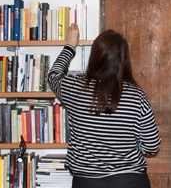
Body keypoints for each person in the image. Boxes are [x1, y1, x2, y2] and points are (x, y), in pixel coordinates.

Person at [47, 23, 161, 188]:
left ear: (95, 56)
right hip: (130, 181)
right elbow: (151, 147)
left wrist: (71, 45)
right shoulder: (137, 96)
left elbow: (53, 75)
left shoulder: (74, 88)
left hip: (87, 182)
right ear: (124, 61)